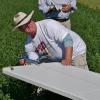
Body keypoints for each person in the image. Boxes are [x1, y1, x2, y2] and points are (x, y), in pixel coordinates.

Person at [12, 10, 88, 70]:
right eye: (24, 26)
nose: (28, 25)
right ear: (21, 30)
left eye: (28, 22)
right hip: (60, 60)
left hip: (76, 51)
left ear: (31, 20)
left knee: (83, 82)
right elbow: (35, 62)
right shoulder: (28, 45)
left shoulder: (48, 25)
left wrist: (68, 59)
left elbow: (68, 39)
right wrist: (27, 62)